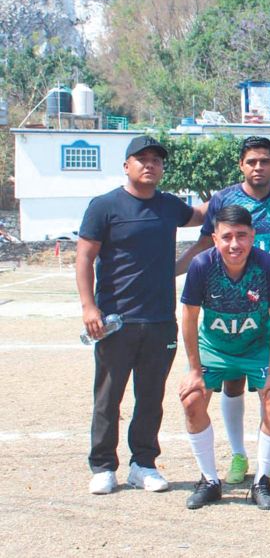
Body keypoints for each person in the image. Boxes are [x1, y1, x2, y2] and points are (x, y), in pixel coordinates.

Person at [175, 136, 270, 487]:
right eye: (251, 161)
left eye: (264, 161)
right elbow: (205, 241)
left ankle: (269, 463)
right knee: (232, 382)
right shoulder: (223, 199)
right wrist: (174, 269)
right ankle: (238, 454)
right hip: (229, 296)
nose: (258, 167)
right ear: (241, 165)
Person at [76, 135, 201, 495]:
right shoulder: (104, 206)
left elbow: (204, 216)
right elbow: (84, 257)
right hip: (115, 321)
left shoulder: (169, 205)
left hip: (160, 320)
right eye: (142, 159)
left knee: (150, 397)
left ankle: (143, 464)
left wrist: (239, 192)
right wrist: (89, 307)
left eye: (156, 160)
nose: (150, 165)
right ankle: (103, 466)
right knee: (108, 397)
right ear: (126, 165)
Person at [177, 205, 270, 510]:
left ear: (252, 236)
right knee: (192, 400)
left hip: (256, 346)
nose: (234, 244)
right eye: (227, 237)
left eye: (241, 236)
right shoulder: (202, 265)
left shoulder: (266, 265)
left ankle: (262, 481)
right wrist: (194, 369)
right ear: (215, 238)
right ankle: (209, 481)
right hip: (215, 348)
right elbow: (189, 317)